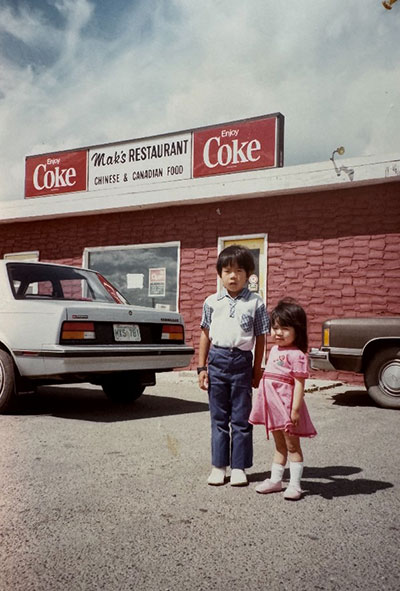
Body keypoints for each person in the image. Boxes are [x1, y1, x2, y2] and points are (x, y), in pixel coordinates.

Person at [198, 244, 269, 487]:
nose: (233, 276)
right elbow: (205, 335)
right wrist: (201, 368)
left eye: (239, 271)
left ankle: (239, 467)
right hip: (216, 362)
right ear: (219, 274)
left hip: (242, 362)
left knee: (241, 418)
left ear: (248, 274)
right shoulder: (211, 302)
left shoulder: (256, 302)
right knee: (219, 418)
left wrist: (257, 368)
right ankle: (218, 466)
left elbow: (261, 337)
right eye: (227, 270)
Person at [249, 298, 317, 500]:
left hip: (287, 408)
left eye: (285, 328)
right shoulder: (275, 350)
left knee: (292, 446)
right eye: (275, 327)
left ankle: (295, 485)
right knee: (279, 446)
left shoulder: (297, 355)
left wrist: (295, 410)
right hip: (272, 407)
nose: (278, 332)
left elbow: (299, 384)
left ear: (297, 330)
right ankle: (276, 480)